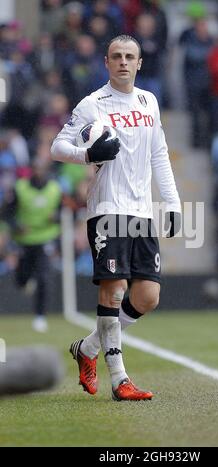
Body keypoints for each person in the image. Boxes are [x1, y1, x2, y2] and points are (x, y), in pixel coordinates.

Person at [51, 35, 181, 401]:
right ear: (106, 62)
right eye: (116, 56)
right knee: (114, 288)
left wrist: (172, 203)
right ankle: (119, 380)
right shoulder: (93, 104)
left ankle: (88, 348)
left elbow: (159, 154)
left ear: (139, 63)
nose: (123, 62)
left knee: (148, 296)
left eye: (130, 57)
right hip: (107, 207)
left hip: (141, 210)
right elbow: (57, 147)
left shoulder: (149, 102)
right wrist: (88, 153)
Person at [2, 158, 62, 332]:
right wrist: (16, 226)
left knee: (44, 276)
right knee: (21, 279)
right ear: (31, 170)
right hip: (24, 239)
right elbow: (7, 213)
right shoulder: (20, 188)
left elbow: (65, 212)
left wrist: (56, 217)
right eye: (35, 168)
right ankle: (26, 281)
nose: (38, 172)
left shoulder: (55, 189)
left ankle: (40, 316)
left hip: (46, 238)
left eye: (41, 169)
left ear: (47, 171)